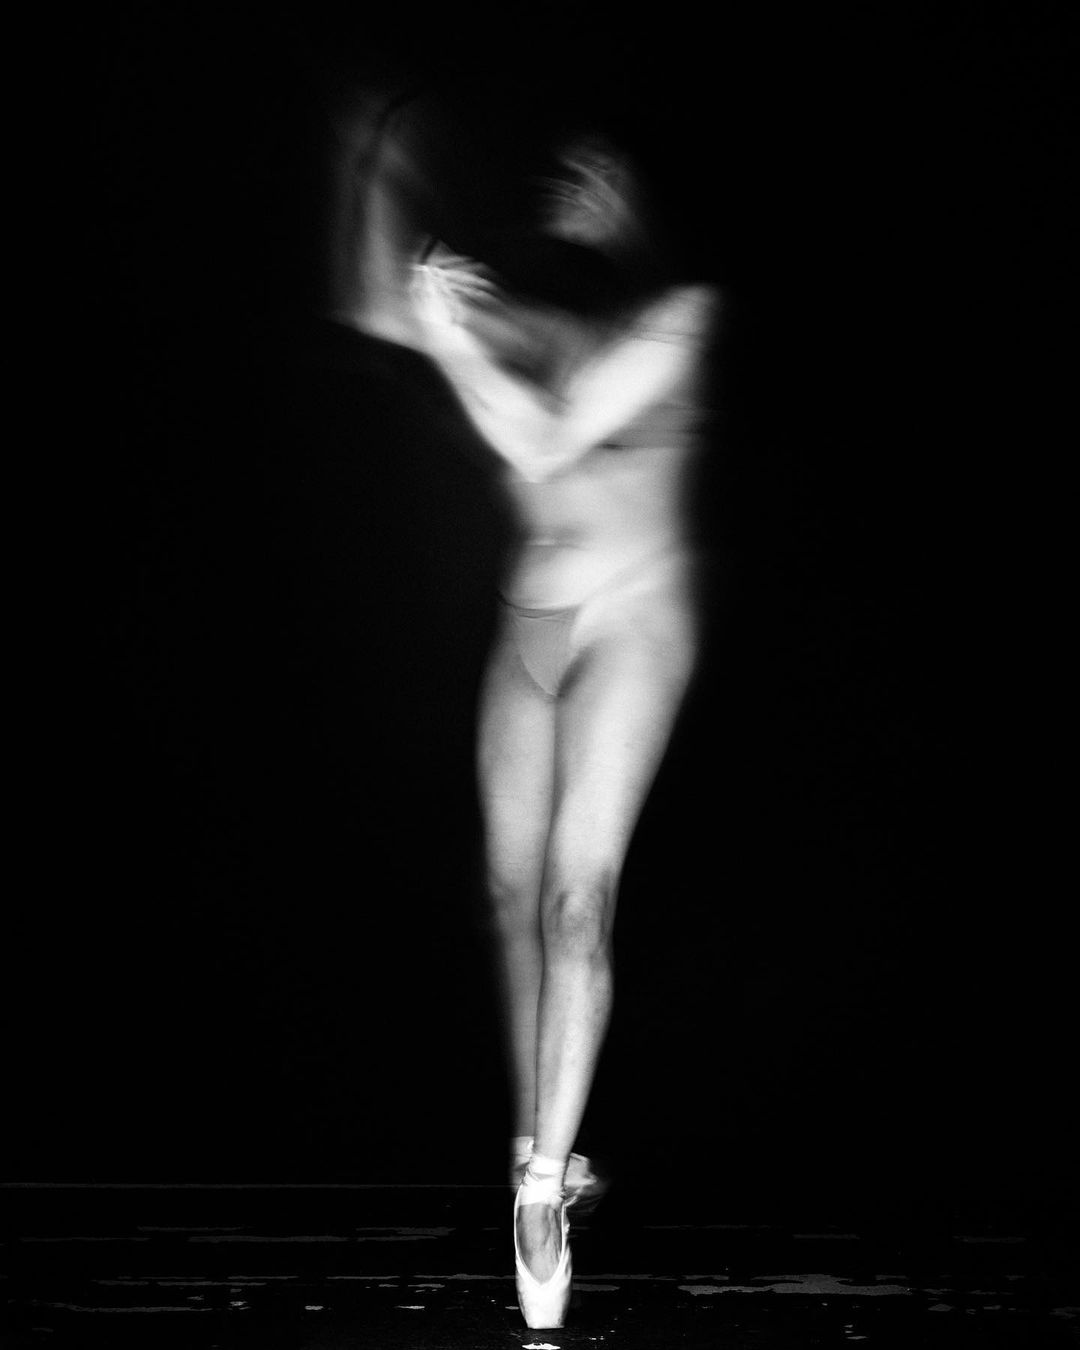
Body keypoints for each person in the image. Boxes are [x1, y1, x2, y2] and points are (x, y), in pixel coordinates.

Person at [337, 101, 720, 1329]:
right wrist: (375, 168)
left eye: (607, 176)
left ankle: (543, 1198)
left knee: (574, 899)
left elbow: (551, 444)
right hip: (532, 619)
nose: (576, 187)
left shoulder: (679, 317)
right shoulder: (541, 319)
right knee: (509, 897)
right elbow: (375, 305)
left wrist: (457, 341)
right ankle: (540, 1145)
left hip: (631, 619)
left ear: (650, 207)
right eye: (571, 174)